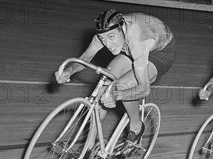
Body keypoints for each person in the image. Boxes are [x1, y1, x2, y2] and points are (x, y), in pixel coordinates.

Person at [55, 9, 175, 144]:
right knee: (102, 87)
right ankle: (88, 147)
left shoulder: (137, 39)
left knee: (122, 86)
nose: (107, 44)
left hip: (160, 51)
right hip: (130, 47)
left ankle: (136, 126)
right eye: (103, 39)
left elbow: (144, 89)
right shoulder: (105, 33)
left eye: (111, 37)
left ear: (122, 28)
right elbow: (85, 58)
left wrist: (116, 95)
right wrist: (69, 71)